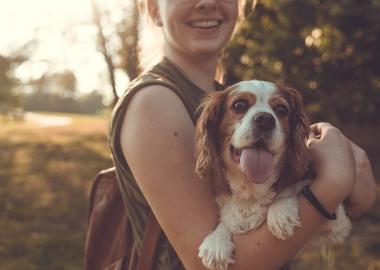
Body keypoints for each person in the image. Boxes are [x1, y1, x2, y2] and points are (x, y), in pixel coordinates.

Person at [109, 0, 376, 269]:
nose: (208, 3)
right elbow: (209, 266)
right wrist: (334, 183)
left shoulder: (226, 93)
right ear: (154, 9)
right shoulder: (154, 101)